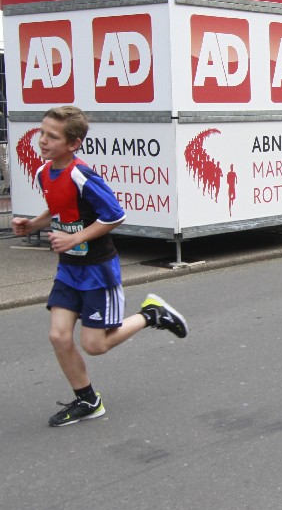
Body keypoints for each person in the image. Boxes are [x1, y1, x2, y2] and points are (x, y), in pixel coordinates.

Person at [11, 105, 189, 427]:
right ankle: (88, 401)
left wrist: (74, 237)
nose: (43, 141)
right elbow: (59, 208)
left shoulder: (82, 175)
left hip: (97, 269)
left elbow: (115, 215)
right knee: (59, 336)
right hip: (69, 268)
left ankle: (151, 315)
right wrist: (33, 224)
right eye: (42, 133)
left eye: (52, 136)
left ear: (73, 143)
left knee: (95, 345)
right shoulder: (43, 172)